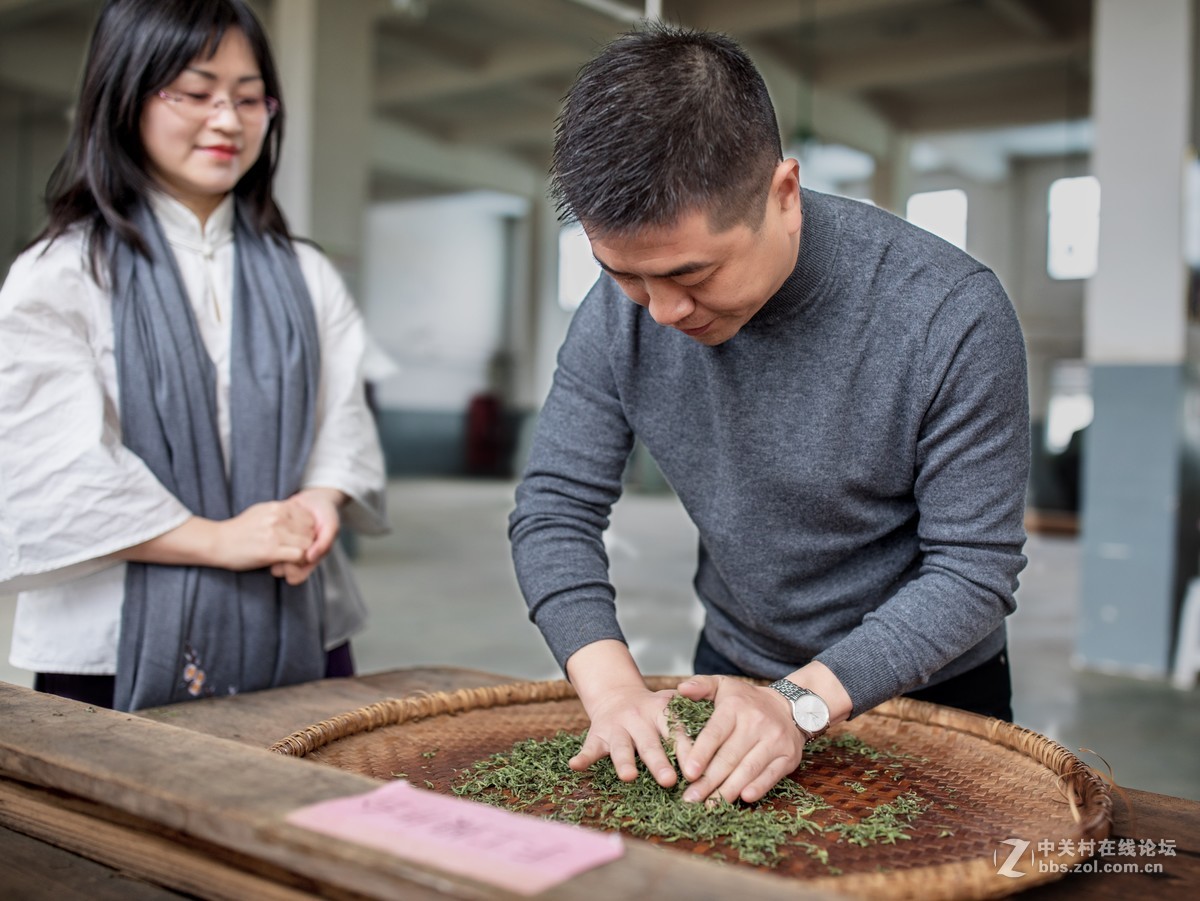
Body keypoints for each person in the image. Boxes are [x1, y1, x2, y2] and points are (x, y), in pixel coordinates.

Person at [509, 26, 1029, 807]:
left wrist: (799, 703)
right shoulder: (617, 316)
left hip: (932, 691)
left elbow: (971, 571)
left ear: (783, 195)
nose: (662, 311)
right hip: (729, 676)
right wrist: (611, 685)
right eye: (622, 274)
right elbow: (553, 509)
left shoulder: (948, 313)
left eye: (693, 273)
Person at [0, 0, 387, 712]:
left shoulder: (305, 272)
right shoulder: (61, 273)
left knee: (307, 802)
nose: (228, 121)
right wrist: (220, 539)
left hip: (301, 624)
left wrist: (317, 500)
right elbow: (55, 467)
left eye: (248, 98)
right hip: (112, 646)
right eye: (195, 92)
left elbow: (341, 422)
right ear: (124, 97)